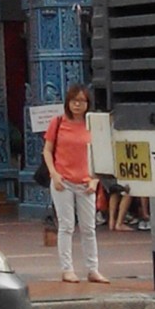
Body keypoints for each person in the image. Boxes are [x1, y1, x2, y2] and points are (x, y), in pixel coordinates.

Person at [43, 82, 109, 284]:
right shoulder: (58, 122)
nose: (78, 105)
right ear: (68, 103)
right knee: (66, 226)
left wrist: (95, 180)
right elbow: (47, 150)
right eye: (74, 101)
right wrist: (54, 174)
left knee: (89, 228)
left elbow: (101, 154)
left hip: (86, 182)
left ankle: (93, 269)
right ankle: (67, 269)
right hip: (63, 180)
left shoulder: (92, 125)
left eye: (82, 101)